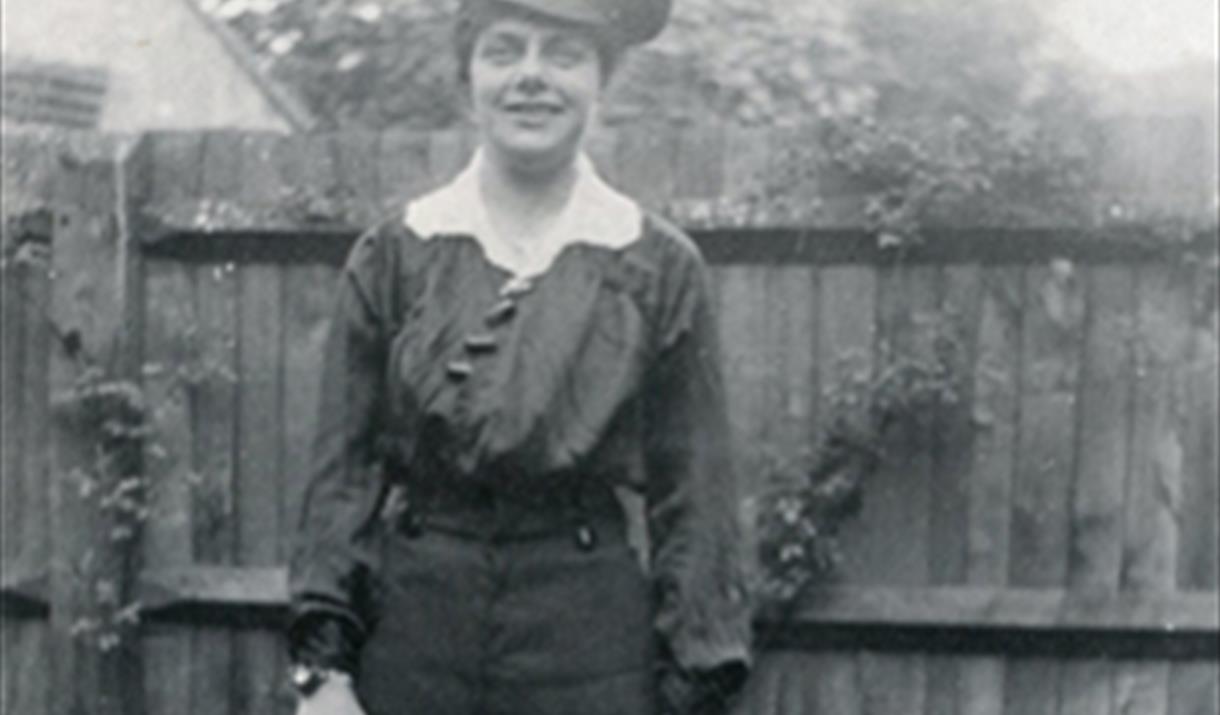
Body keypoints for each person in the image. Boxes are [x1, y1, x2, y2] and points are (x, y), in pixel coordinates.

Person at [286, 1, 752, 713]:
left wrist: (694, 678)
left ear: (602, 78)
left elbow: (698, 499)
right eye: (504, 50)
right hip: (415, 638)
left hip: (588, 642)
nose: (531, 77)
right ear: (467, 74)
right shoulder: (395, 255)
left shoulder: (657, 266)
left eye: (563, 54)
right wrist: (323, 675)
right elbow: (342, 475)